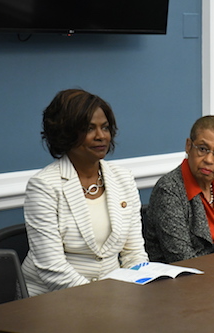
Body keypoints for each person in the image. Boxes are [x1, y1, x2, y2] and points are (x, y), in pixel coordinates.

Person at [22, 89, 148, 296]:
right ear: (66, 133)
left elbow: (134, 253)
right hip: (53, 300)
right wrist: (101, 299)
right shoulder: (43, 186)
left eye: (105, 128)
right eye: (90, 129)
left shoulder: (123, 178)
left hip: (115, 296)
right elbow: (52, 269)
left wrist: (136, 290)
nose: (101, 136)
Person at [145, 115, 214, 263]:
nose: (208, 160)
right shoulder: (169, 190)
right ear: (188, 146)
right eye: (202, 149)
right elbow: (182, 259)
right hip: (187, 279)